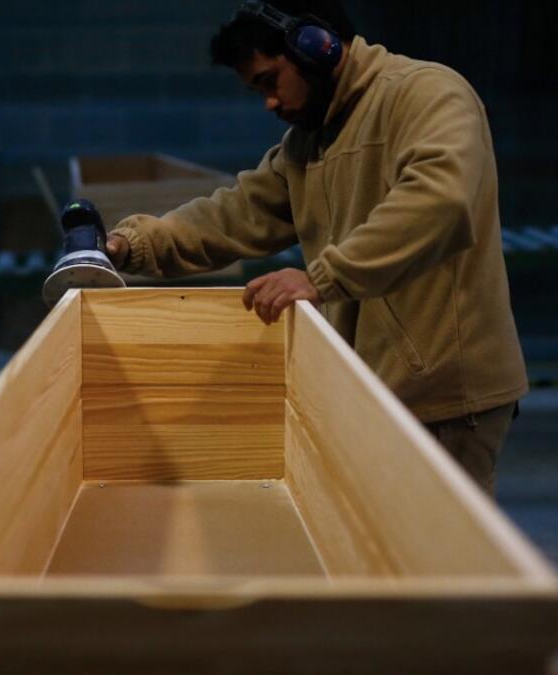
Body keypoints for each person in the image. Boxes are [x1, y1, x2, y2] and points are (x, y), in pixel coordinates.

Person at [103, 0, 526, 496]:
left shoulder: (426, 94)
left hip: (443, 399)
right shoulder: (309, 141)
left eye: (270, 80)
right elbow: (236, 214)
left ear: (316, 47)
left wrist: (322, 277)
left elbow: (439, 200)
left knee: (437, 545)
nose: (269, 103)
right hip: (376, 392)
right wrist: (126, 245)